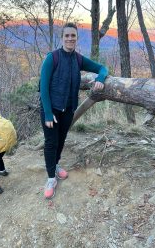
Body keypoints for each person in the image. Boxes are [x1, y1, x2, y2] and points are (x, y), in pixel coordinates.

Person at [40, 22, 109, 199]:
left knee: (61, 140)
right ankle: (50, 179)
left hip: (68, 109)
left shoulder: (78, 59)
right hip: (51, 110)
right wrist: (48, 113)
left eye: (73, 36)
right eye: (67, 36)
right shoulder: (52, 58)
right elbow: (44, 87)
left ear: (77, 38)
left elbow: (102, 68)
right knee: (51, 142)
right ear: (62, 38)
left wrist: (100, 78)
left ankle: (55, 165)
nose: (70, 38)